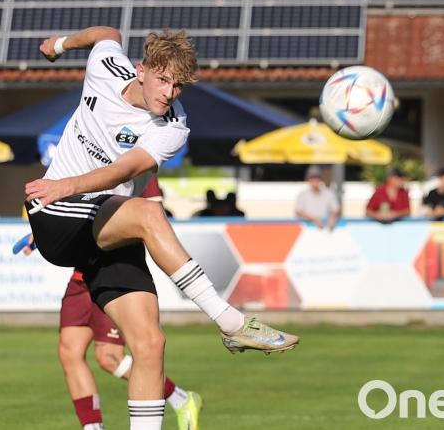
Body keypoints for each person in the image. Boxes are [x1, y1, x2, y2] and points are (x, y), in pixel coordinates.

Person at [24, 26, 298, 429]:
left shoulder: (173, 125)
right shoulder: (105, 67)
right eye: (163, 79)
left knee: (150, 344)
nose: (169, 93)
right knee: (149, 215)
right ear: (141, 70)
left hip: (107, 224)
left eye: (179, 85)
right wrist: (59, 45)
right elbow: (106, 33)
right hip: (57, 211)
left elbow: (124, 169)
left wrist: (71, 184)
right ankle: (229, 322)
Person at [17, 179, 201, 430]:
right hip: (81, 273)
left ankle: (180, 398)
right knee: (69, 352)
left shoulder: (140, 169)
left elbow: (152, 221)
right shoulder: (86, 162)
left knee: (109, 357)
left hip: (113, 272)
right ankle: (93, 427)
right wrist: (43, 233)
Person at [295, 165, 340, 230]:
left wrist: (333, 218)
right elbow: (298, 212)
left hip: (326, 229)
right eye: (312, 178)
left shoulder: (328, 193)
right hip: (306, 231)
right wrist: (314, 219)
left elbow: (336, 209)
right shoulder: (302, 195)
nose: (315, 180)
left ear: (321, 179)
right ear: (308, 179)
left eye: (317, 177)